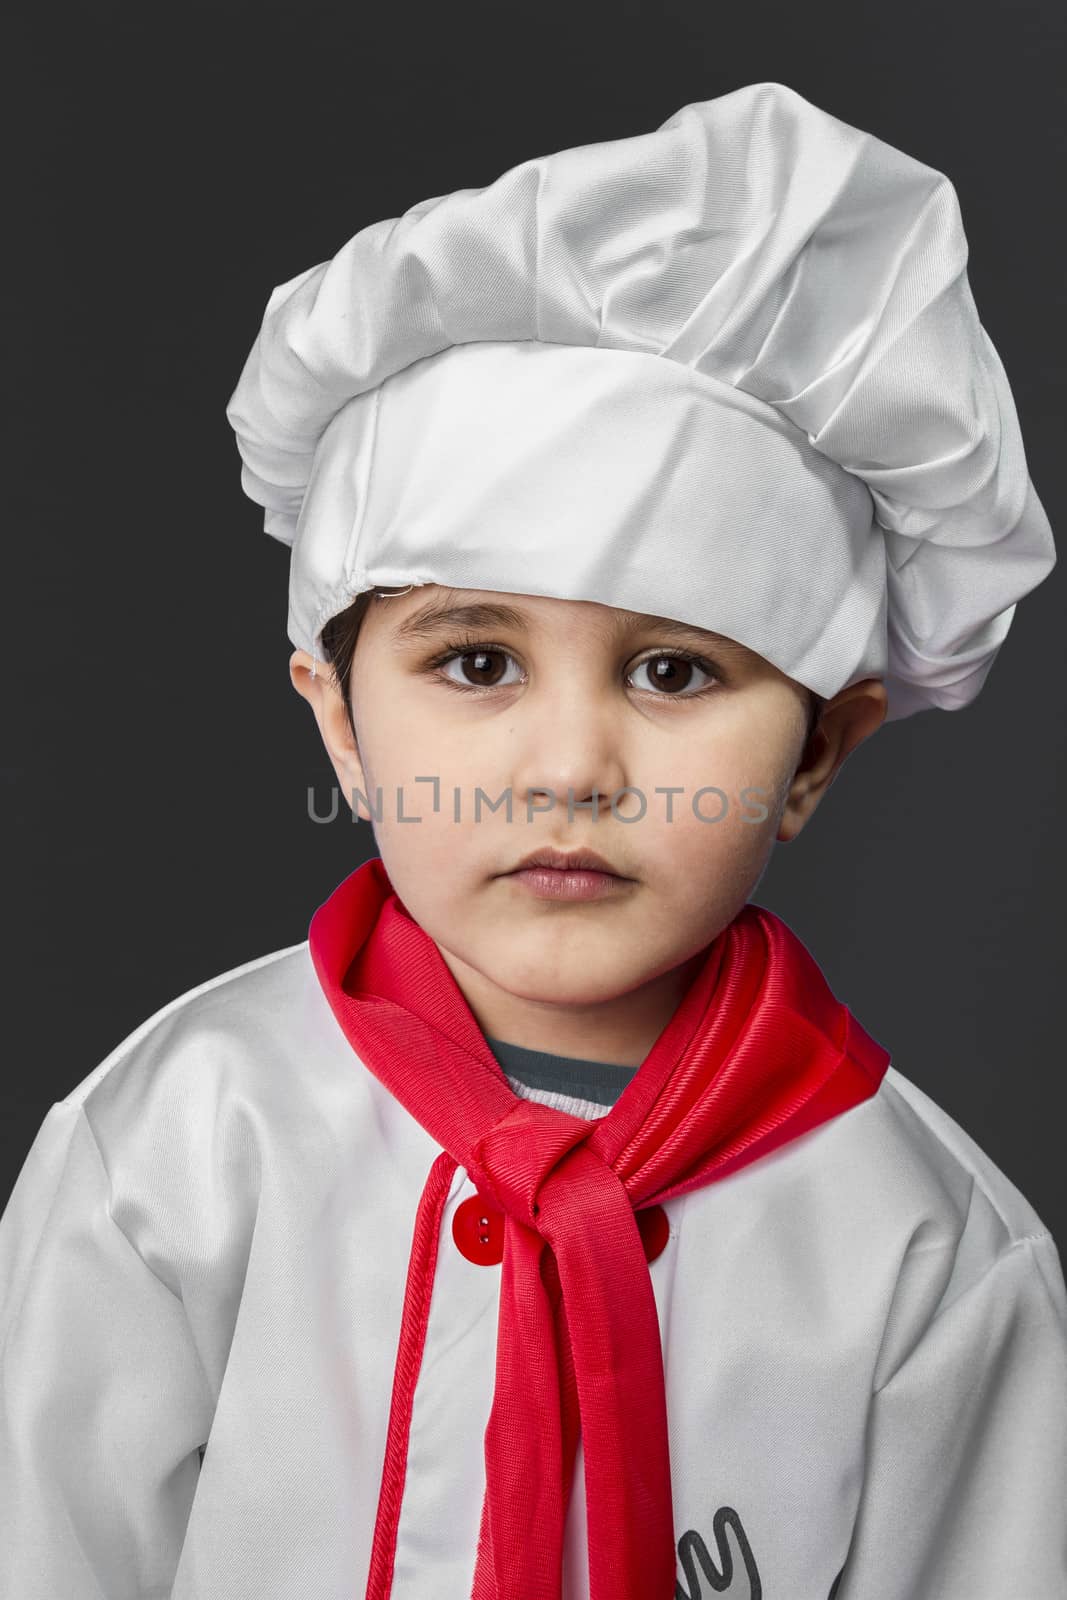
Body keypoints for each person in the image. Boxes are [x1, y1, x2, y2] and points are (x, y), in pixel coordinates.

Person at [1, 81, 1065, 1600]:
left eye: (678, 670)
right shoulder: (177, 1148)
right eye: (478, 662)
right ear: (342, 722)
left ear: (820, 751)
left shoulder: (928, 1258)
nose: (571, 767)